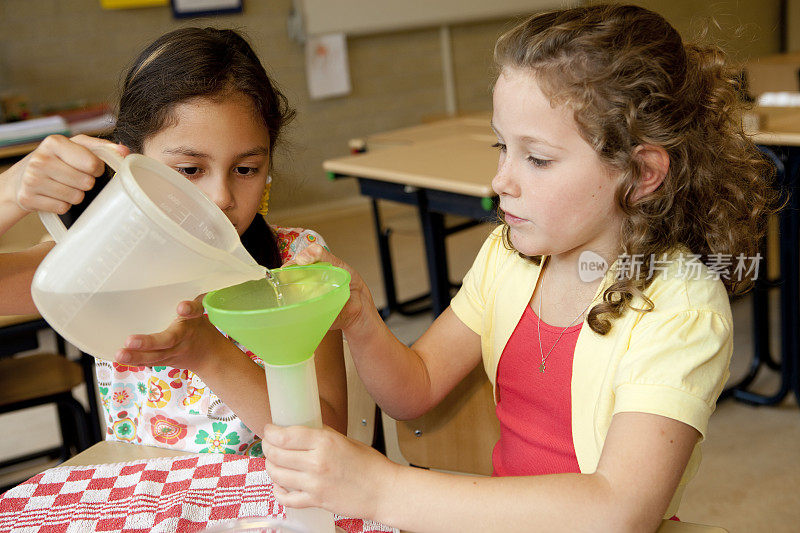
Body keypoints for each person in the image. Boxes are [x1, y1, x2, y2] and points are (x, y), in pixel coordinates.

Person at [257, 5, 779, 531]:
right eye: (501, 146)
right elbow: (413, 392)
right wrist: (361, 318)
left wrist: (382, 488)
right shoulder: (507, 257)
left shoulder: (682, 308)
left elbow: (620, 510)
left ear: (641, 173)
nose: (501, 180)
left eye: (538, 158)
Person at [0, 27, 348, 456]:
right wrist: (10, 190)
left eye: (246, 169)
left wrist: (208, 354)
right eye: (189, 169)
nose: (221, 198)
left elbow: (331, 441)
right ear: (131, 161)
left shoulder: (297, 264)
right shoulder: (106, 259)